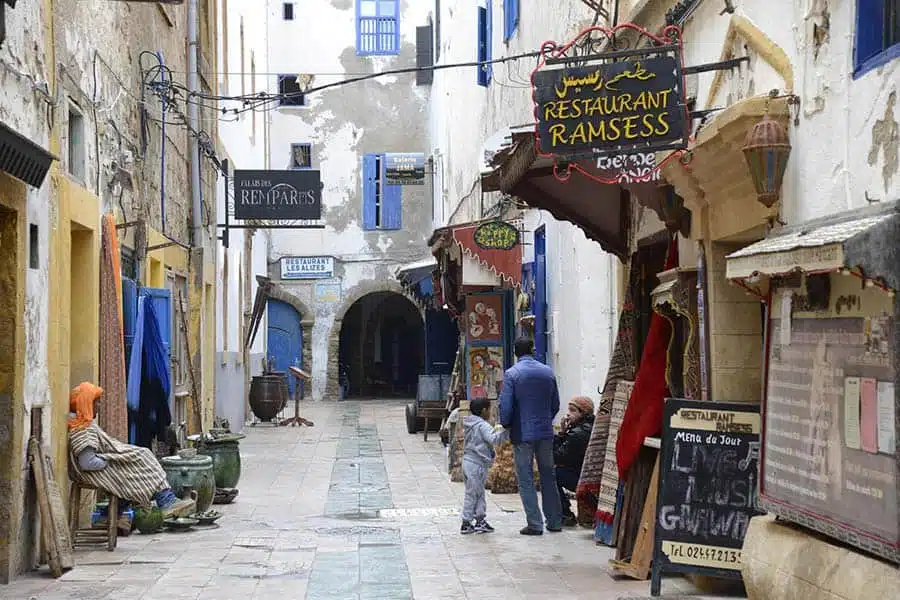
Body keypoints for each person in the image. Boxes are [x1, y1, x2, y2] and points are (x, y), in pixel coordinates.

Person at [68, 382, 195, 518]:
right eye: (96, 402)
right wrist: (112, 460)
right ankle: (165, 500)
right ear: (86, 404)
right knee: (140, 462)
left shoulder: (85, 426)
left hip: (101, 466)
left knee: (143, 456)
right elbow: (87, 462)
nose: (99, 406)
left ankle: (112, 512)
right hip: (94, 472)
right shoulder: (83, 431)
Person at [499, 337, 563, 535]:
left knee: (525, 477)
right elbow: (555, 404)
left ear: (516, 353)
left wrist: (506, 424)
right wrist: (545, 419)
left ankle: (535, 523)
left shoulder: (512, 374)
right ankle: (554, 521)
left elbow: (507, 405)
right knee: (548, 476)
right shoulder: (547, 371)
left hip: (522, 432)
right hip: (545, 432)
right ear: (532, 350)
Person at [460, 397, 508, 534]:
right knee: (472, 494)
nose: (491, 413)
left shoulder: (470, 423)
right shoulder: (482, 425)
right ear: (483, 411)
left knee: (478, 492)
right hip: (476, 464)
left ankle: (480, 519)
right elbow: (494, 439)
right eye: (489, 410)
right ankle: (466, 522)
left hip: (469, 462)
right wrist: (506, 431)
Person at [553, 396, 595, 526]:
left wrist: (562, 433)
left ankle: (565, 514)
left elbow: (557, 456)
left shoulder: (578, 433)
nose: (568, 414)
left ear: (583, 413)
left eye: (572, 410)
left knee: (551, 475)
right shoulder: (589, 427)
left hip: (582, 479)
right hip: (586, 475)